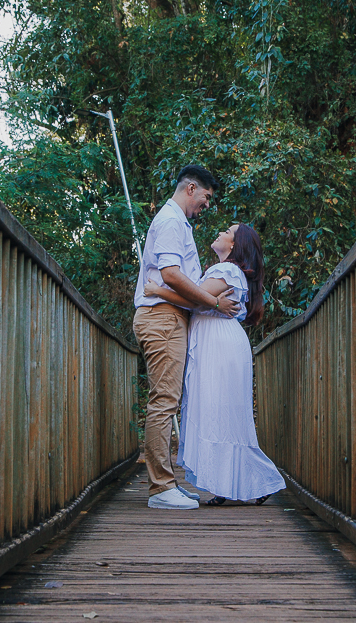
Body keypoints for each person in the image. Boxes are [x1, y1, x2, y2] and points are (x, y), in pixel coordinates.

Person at [144, 223, 286, 505]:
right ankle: (225, 484)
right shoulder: (225, 270)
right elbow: (202, 300)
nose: (221, 233)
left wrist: (158, 291)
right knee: (217, 414)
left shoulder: (228, 270)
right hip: (216, 341)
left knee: (222, 415)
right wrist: (212, 301)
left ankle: (262, 479)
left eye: (227, 232)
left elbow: (192, 298)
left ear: (234, 245)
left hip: (220, 345)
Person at [133, 165, 240, 510]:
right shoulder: (169, 221)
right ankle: (161, 489)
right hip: (162, 318)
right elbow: (171, 275)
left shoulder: (177, 222)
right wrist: (214, 302)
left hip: (168, 317)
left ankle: (166, 485)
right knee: (164, 401)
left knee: (167, 399)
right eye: (206, 197)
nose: (207, 205)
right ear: (191, 188)